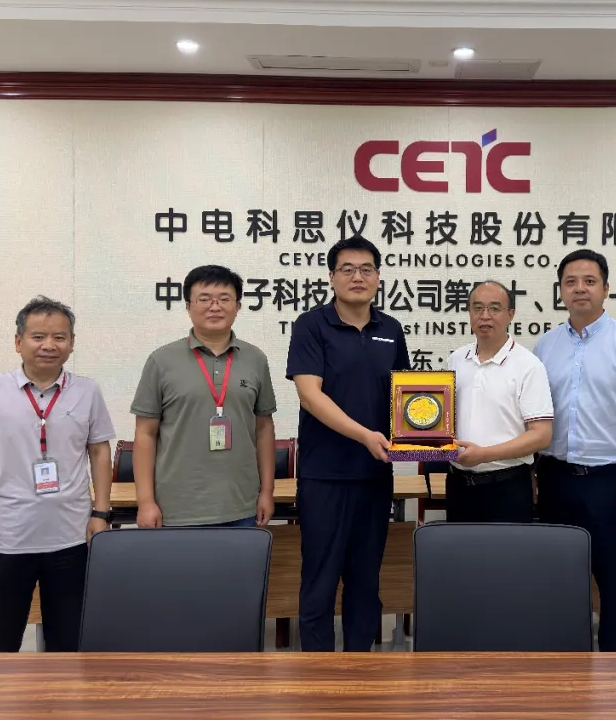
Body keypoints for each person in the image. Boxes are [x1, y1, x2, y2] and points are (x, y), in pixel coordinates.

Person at [0, 296, 115, 652]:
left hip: (72, 538)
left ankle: (63, 691)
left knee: (68, 644)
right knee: (0, 645)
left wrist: (101, 513)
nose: (49, 345)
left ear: (71, 343)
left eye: (59, 337)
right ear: (18, 342)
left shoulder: (87, 391)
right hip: (6, 538)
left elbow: (99, 451)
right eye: (38, 336)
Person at [533, 249, 616, 652]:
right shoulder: (544, 346)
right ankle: (563, 671)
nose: (580, 289)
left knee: (615, 584)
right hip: (556, 478)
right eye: (571, 282)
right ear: (560, 290)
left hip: (612, 481)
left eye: (589, 281)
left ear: (606, 289)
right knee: (559, 582)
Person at [286, 235, 411, 652]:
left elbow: (404, 400)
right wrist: (364, 435)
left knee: (365, 581)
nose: (358, 277)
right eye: (348, 269)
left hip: (374, 476)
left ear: (378, 277)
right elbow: (310, 395)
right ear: (331, 277)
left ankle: (362, 668)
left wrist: (430, 436)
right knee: (319, 580)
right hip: (324, 475)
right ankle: (316, 672)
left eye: (366, 269)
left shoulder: (390, 329)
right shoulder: (311, 325)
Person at [131, 265, 277, 529]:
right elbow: (145, 434)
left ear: (238, 306)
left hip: (242, 505)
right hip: (176, 508)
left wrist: (267, 491)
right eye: (205, 299)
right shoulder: (161, 360)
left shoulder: (255, 359)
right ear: (188, 306)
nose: (215, 307)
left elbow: (264, 428)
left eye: (224, 299)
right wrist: (145, 501)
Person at [446, 281, 553, 523]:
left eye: (494, 308)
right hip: (458, 485)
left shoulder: (528, 365)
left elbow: (541, 435)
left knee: (507, 550)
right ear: (469, 313)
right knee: (459, 549)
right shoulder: (456, 360)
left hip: (507, 488)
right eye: (477, 308)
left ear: (510, 314)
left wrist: (484, 454)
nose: (485, 316)